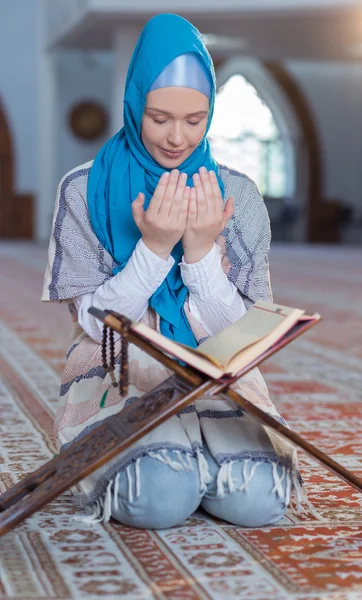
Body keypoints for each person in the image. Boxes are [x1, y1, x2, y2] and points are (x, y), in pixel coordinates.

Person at [42, 13, 309, 529]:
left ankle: (198, 460)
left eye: (195, 119)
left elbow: (241, 335)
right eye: (159, 117)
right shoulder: (83, 191)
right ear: (135, 99)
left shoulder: (238, 195)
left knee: (258, 501)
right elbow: (100, 331)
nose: (176, 138)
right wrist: (155, 248)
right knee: (159, 498)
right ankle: (178, 467)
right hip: (122, 378)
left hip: (218, 382)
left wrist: (202, 255)